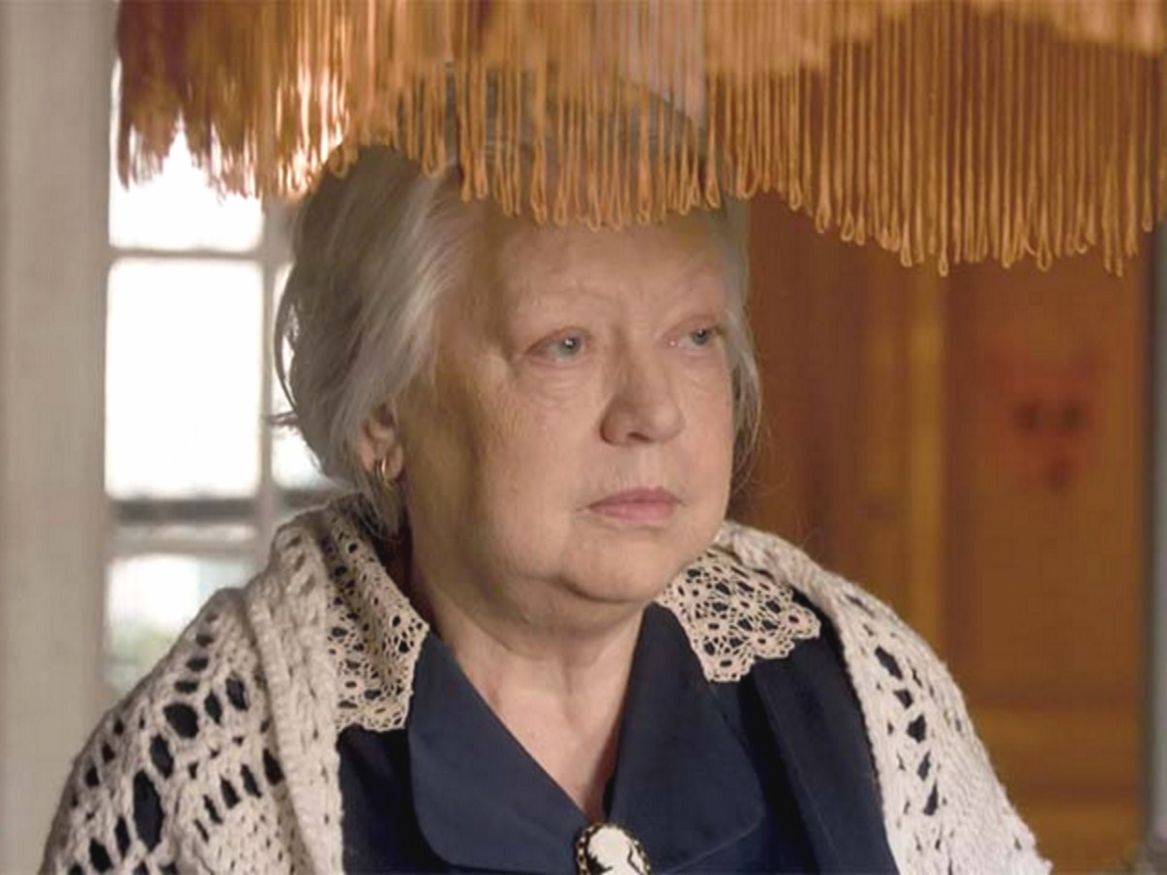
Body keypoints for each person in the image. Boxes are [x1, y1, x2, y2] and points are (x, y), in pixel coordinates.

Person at [41, 137, 1048, 874]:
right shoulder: (204, 772)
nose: (654, 410)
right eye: (563, 344)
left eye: (695, 336)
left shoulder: (855, 687)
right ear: (383, 410)